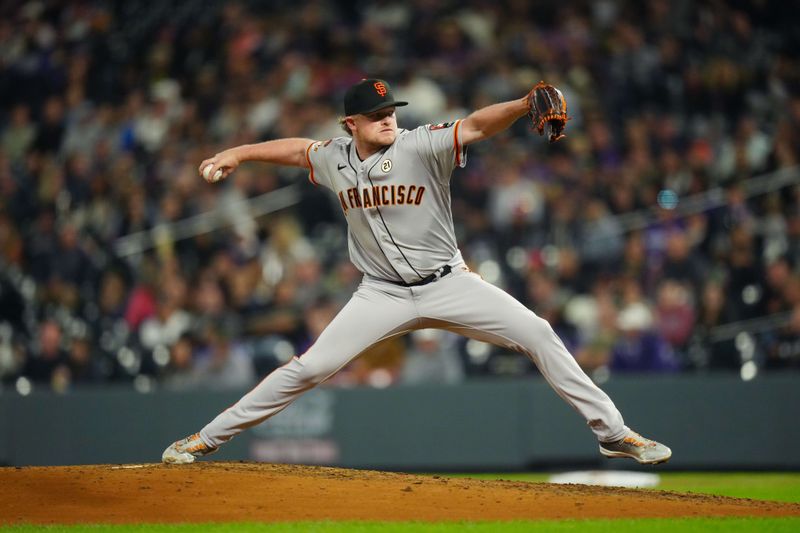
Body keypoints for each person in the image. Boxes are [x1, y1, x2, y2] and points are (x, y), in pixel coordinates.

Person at [162, 79, 671, 465]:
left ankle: (613, 433)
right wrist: (237, 153)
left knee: (538, 333)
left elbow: (473, 125)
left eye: (390, 111)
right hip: (379, 294)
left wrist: (520, 106)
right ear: (350, 125)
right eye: (376, 114)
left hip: (449, 283)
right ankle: (205, 438)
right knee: (311, 368)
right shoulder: (334, 157)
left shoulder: (420, 145)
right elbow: (297, 150)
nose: (388, 120)